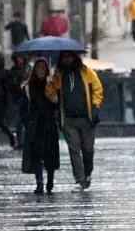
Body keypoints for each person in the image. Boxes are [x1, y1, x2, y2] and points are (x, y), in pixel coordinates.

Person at [46, 51, 103, 191]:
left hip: (86, 118)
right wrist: (52, 91)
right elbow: (50, 91)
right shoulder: (59, 75)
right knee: (74, 150)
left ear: (74, 57)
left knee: (88, 149)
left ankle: (88, 172)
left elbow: (97, 88)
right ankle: (79, 180)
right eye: (64, 57)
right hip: (69, 119)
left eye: (69, 56)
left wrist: (95, 106)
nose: (66, 60)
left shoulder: (86, 72)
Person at [22, 59, 60, 194]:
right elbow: (24, 107)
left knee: (50, 154)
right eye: (38, 68)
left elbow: (56, 105)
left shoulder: (51, 85)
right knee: (36, 154)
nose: (41, 70)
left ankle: (50, 180)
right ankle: (39, 182)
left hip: (49, 124)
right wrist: (27, 122)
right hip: (35, 125)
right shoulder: (28, 86)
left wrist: (53, 94)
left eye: (43, 68)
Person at [10, 55, 31, 149]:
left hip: (27, 97)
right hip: (18, 96)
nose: (19, 60)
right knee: (18, 120)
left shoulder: (28, 68)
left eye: (21, 57)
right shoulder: (14, 70)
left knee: (27, 120)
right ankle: (20, 142)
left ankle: (28, 140)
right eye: (18, 58)